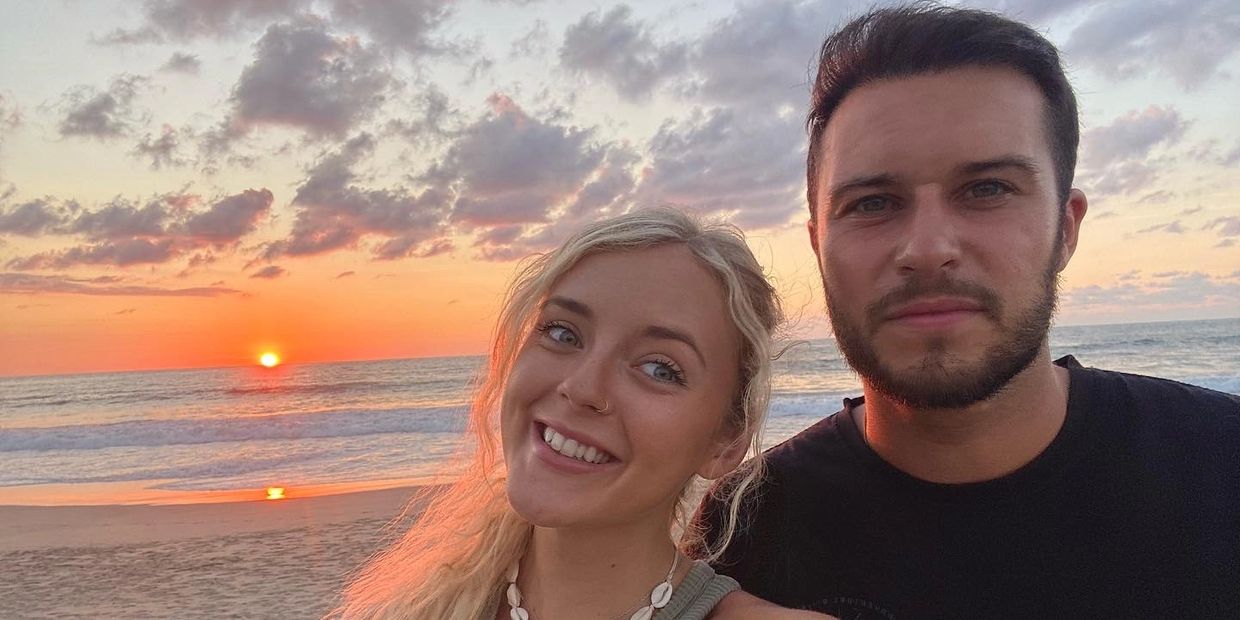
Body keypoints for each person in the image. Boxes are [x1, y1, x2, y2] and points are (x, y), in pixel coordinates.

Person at [696, 5, 1240, 619]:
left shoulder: (1223, 468)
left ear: (1065, 228)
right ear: (820, 244)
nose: (928, 250)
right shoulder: (740, 538)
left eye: (987, 190)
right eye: (873, 202)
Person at [336, 208, 829, 619]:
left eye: (659, 368)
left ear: (725, 443)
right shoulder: (410, 607)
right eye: (563, 333)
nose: (581, 387)